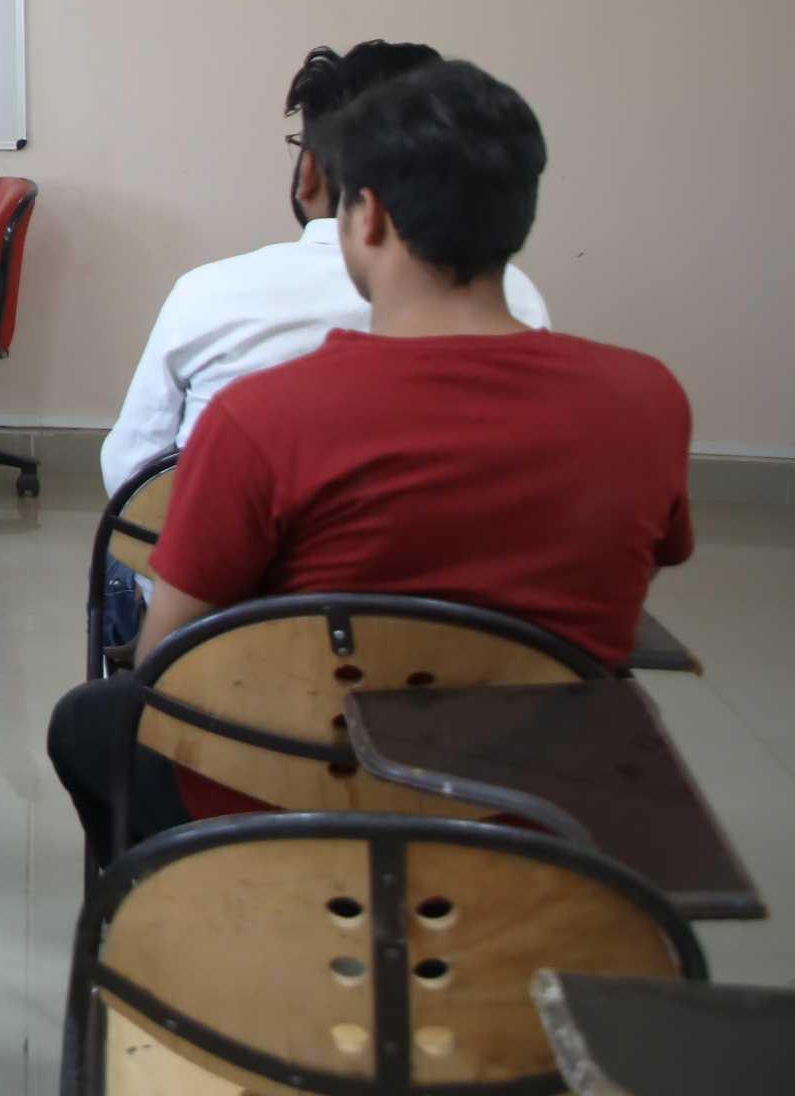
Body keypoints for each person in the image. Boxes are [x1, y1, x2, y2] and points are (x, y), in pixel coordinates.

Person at [47, 60, 690, 855]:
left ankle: (199, 918)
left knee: (90, 719)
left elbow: (168, 663)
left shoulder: (262, 416)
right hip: (533, 810)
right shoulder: (648, 399)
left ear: (368, 216)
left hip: (275, 793)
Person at [93, 41, 552, 644]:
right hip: (477, 654)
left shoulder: (224, 330)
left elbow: (133, 482)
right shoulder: (523, 304)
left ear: (316, 169)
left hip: (230, 662)